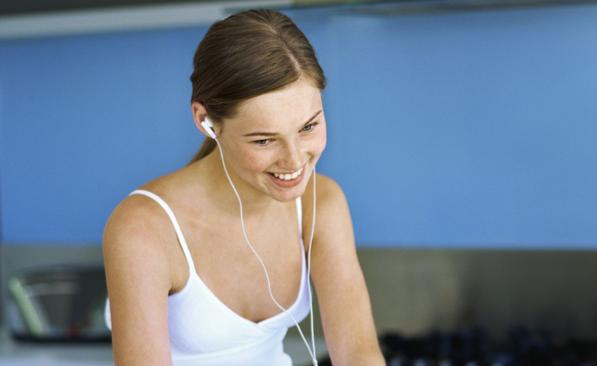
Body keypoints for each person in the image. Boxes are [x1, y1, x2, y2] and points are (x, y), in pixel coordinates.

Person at [102, 8, 385, 366]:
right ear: (206, 122)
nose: (295, 160)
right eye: (265, 141)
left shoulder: (322, 203)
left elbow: (359, 356)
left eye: (308, 127)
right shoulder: (144, 229)